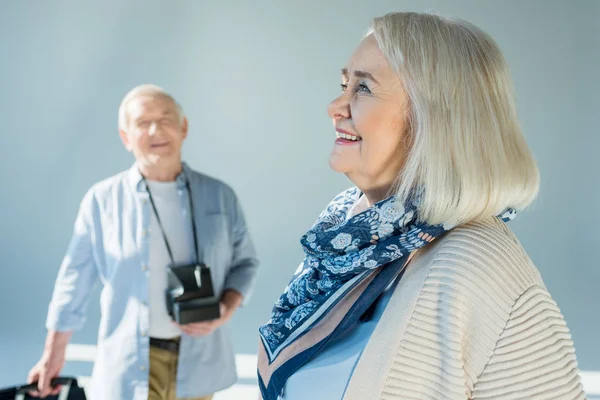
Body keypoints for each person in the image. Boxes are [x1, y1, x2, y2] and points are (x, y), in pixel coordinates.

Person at [257, 12, 585, 400]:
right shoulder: (345, 235)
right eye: (344, 84)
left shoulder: (480, 264)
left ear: (434, 117)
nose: (335, 106)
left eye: (363, 88)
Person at [28, 84, 259, 400]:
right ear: (125, 137)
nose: (156, 129)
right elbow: (74, 280)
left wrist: (225, 309)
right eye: (142, 122)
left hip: (199, 360)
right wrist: (53, 352)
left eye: (166, 118)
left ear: (184, 127)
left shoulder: (219, 196)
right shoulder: (102, 200)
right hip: (130, 362)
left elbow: (245, 263)